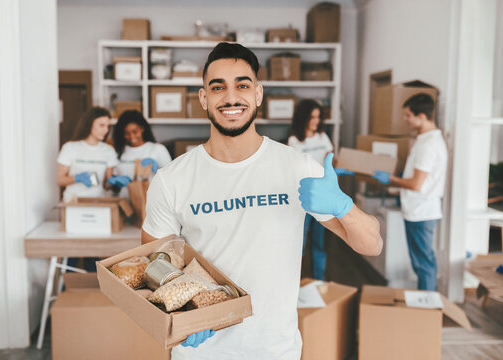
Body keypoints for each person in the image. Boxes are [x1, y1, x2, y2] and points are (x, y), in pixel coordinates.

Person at [141, 42, 382, 359]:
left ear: (258, 94)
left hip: (275, 350)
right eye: (218, 87)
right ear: (203, 98)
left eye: (242, 84)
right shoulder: (172, 179)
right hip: (200, 352)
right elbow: (155, 265)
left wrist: (343, 206)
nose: (230, 97)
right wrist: (180, 314)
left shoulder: (298, 168)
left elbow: (372, 245)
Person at [372, 93, 446, 291]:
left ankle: (426, 310)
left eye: (408, 115)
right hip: (418, 209)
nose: (405, 119)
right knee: (422, 263)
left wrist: (391, 179)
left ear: (422, 116)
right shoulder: (424, 140)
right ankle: (425, 307)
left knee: (423, 264)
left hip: (421, 211)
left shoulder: (429, 145)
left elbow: (416, 184)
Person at [287, 99, 334, 280]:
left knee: (319, 243)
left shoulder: (323, 137)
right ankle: (294, 282)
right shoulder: (294, 140)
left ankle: (318, 282)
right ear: (303, 118)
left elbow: (331, 160)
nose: (316, 121)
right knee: (300, 244)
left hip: (323, 199)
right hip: (304, 198)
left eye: (318, 117)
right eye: (312, 117)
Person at [57, 106, 118, 202]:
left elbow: (107, 185)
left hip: (98, 202)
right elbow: (59, 180)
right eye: (101, 125)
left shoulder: (109, 151)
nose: (106, 130)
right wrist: (77, 178)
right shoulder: (70, 147)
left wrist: (115, 182)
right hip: (73, 202)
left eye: (107, 126)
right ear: (89, 124)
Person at [109, 110, 172, 197]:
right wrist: (115, 184)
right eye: (127, 133)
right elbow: (113, 186)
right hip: (124, 204)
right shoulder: (119, 152)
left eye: (135, 132)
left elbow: (172, 179)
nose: (131, 137)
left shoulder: (157, 149)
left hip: (148, 204)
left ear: (142, 129)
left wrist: (158, 169)